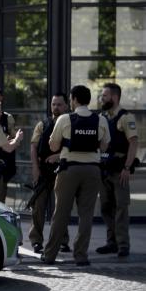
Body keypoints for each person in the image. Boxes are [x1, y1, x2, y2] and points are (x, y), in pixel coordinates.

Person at [41, 85, 110, 266]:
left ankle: (50, 255)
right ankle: (81, 256)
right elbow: (104, 147)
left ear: (74, 100)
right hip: (92, 170)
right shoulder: (100, 120)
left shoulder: (65, 119)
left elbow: (54, 147)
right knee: (86, 215)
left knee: (61, 213)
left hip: (69, 169)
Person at [96, 83, 139, 257]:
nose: (102, 98)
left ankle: (123, 245)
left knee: (121, 207)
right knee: (106, 207)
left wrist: (127, 167)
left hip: (120, 169)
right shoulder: (102, 117)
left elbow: (134, 143)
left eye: (104, 96)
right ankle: (111, 242)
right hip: (104, 169)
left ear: (114, 97)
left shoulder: (125, 117)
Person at [28, 93, 71, 254]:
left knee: (61, 208)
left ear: (66, 106)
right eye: (54, 104)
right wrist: (35, 168)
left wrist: (58, 156)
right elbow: (33, 146)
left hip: (64, 170)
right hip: (44, 171)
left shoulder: (71, 123)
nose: (56, 107)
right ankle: (36, 241)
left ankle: (62, 241)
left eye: (59, 104)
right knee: (38, 207)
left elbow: (73, 147)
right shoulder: (43, 124)